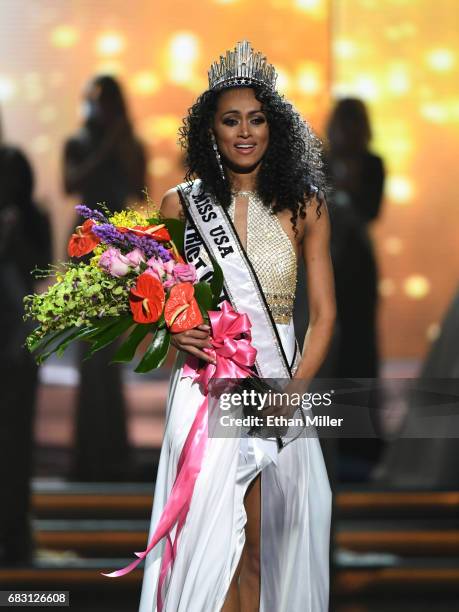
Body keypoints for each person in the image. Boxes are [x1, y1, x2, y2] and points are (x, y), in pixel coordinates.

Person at [134, 41, 335, 611]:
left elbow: (324, 315)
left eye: (257, 119)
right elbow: (162, 303)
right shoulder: (181, 205)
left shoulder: (304, 205)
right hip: (204, 391)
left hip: (278, 386)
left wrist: (296, 392)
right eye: (230, 120)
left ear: (275, 127)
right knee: (208, 540)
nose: (245, 132)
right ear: (211, 131)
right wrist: (172, 332)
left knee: (263, 549)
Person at [63, 75, 147, 480]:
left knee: (109, 350)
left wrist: (123, 144)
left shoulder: (129, 146)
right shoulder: (78, 142)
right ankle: (87, 454)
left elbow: (137, 187)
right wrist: (106, 147)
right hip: (85, 245)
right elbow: (70, 182)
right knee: (87, 352)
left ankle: (112, 451)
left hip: (118, 249)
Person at [0, 120, 51, 565]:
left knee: (17, 448)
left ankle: (16, 534)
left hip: (18, 343)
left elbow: (40, 271)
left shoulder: (32, 219)